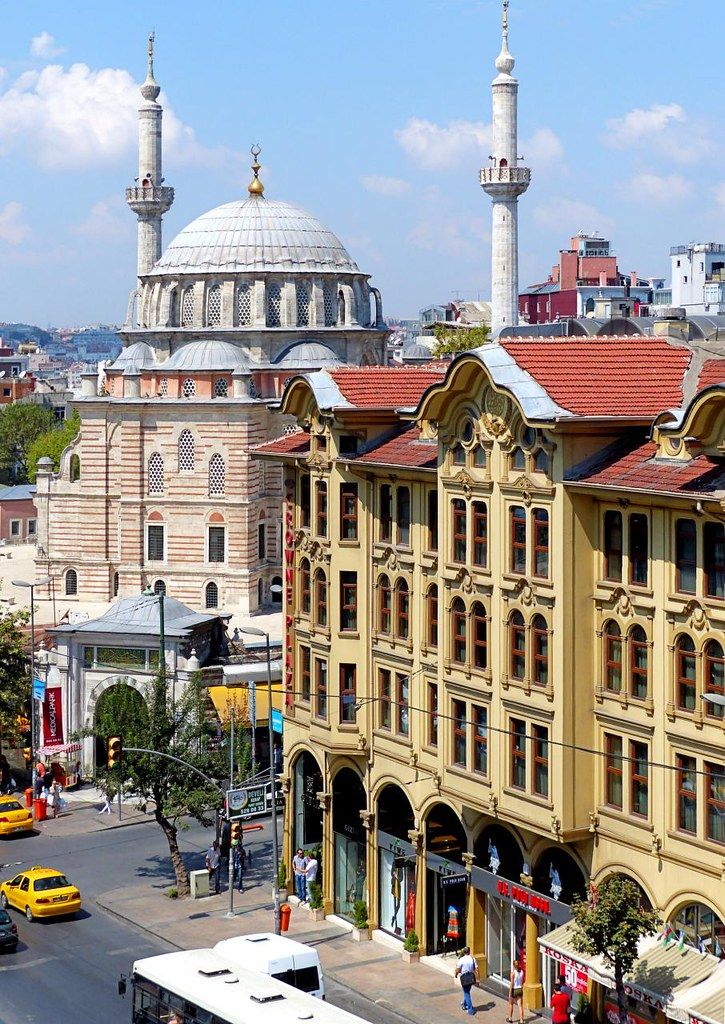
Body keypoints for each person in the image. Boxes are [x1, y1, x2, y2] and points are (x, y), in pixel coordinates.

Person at [455, 945, 478, 1016]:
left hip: (464, 977)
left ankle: (470, 1009)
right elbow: (477, 969)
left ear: (464, 952)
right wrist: (478, 978)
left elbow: (458, 969)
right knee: (467, 991)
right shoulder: (472, 958)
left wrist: (456, 974)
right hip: (471, 977)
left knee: (466, 992)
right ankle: (464, 1004)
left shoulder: (461, 959)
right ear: (469, 952)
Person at [507, 959, 525, 1023]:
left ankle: (510, 1018)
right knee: (520, 1006)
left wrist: (510, 993)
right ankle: (521, 1020)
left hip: (514, 989)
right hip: (520, 989)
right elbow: (522, 982)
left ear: (514, 965)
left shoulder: (513, 973)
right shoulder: (522, 972)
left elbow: (512, 984)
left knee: (511, 1004)